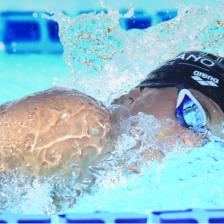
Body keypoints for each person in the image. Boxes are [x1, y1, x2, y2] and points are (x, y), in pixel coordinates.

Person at [0, 51, 223, 177]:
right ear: (138, 93)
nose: (192, 140)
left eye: (205, 135)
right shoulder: (82, 119)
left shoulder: (105, 168)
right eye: (194, 113)